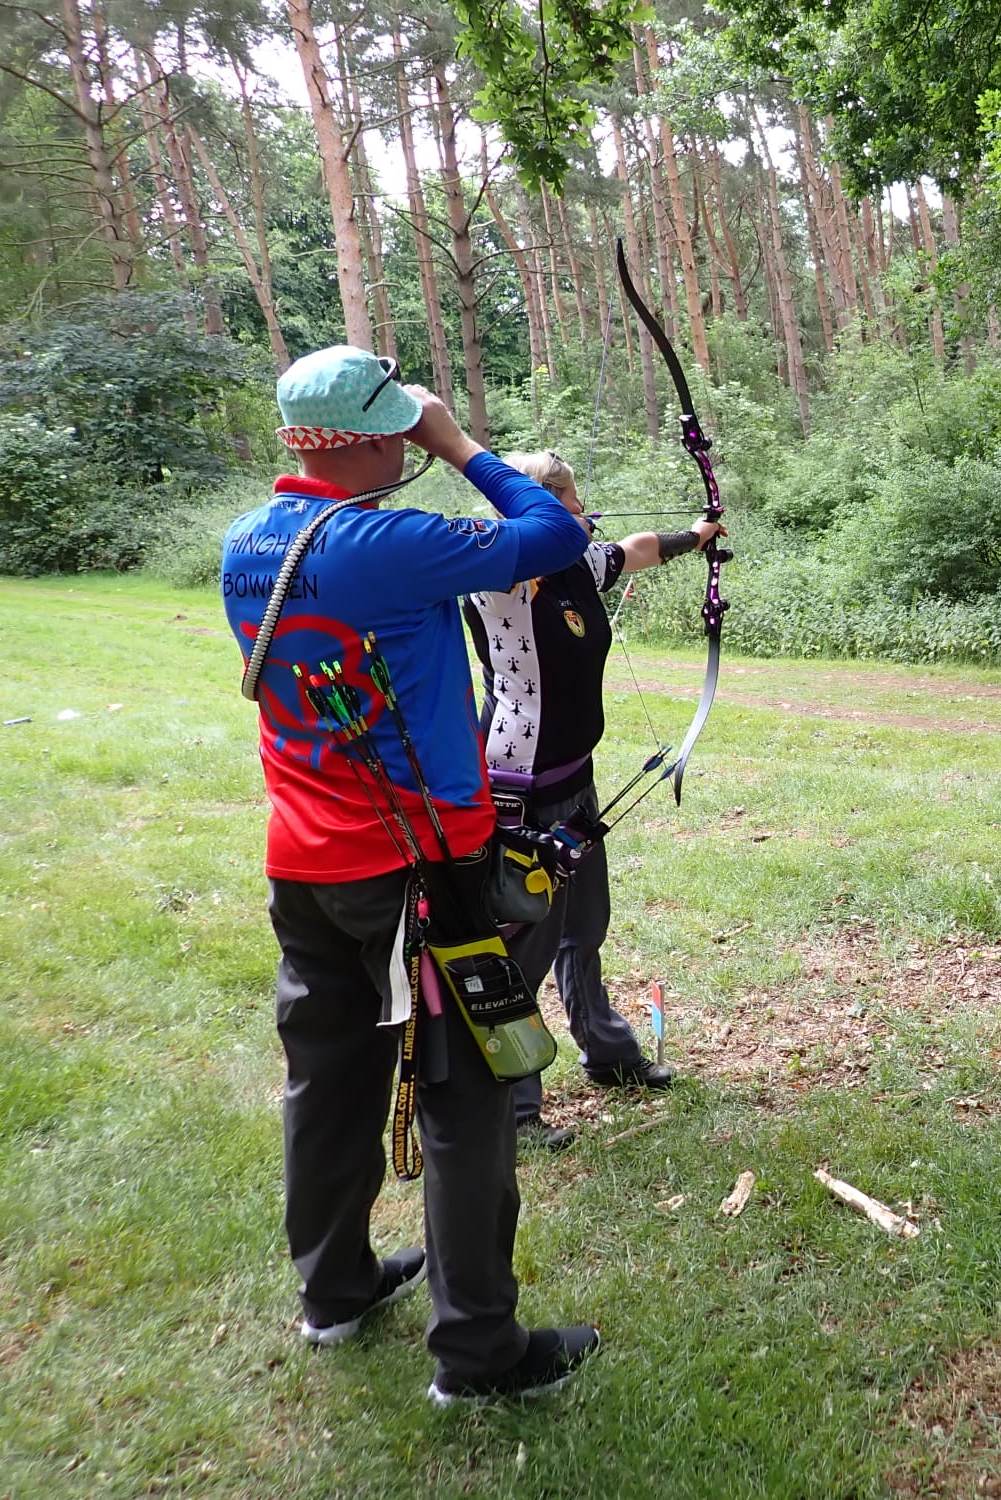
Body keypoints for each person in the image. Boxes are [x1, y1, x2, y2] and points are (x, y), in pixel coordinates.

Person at [221, 346, 600, 1406]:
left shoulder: (248, 539)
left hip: (303, 863)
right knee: (465, 1095)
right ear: (377, 438)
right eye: (397, 426)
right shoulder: (387, 542)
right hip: (419, 871)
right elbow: (555, 535)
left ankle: (334, 1292)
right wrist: (457, 441)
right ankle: (478, 1353)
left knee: (326, 1079)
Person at [462, 450, 724, 1146]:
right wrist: (548, 521)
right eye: (573, 500)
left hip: (574, 777)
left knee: (584, 927)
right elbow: (523, 546)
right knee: (525, 943)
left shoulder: (575, 563)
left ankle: (606, 1051)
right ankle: (512, 1109)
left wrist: (696, 535)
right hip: (520, 789)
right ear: (540, 508)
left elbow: (633, 549)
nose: (586, 511)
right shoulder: (498, 576)